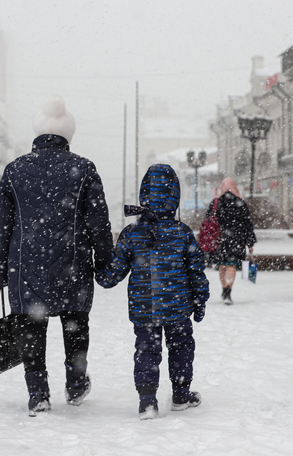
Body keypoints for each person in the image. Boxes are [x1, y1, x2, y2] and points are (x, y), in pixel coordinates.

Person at [0, 95, 113, 416]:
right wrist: (104, 262)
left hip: (25, 266)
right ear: (68, 136)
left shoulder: (14, 170)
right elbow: (99, 223)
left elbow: (1, 225)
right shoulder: (84, 169)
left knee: (31, 328)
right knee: (75, 325)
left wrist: (0, 267)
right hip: (72, 266)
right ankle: (75, 384)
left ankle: (38, 393)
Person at [96, 164, 210, 420]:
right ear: (175, 198)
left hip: (144, 307)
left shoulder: (132, 234)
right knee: (181, 347)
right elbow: (196, 270)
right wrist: (200, 298)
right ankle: (181, 394)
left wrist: (98, 271)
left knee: (147, 350)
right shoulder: (182, 234)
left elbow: (112, 274)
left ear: (143, 195)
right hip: (178, 306)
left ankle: (147, 401)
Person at [212, 177, 256, 305]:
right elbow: (247, 224)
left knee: (222, 265)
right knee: (231, 265)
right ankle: (228, 291)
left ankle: (224, 288)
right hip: (237, 239)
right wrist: (250, 243)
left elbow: (210, 222)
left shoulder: (217, 202)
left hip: (221, 239)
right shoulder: (240, 203)